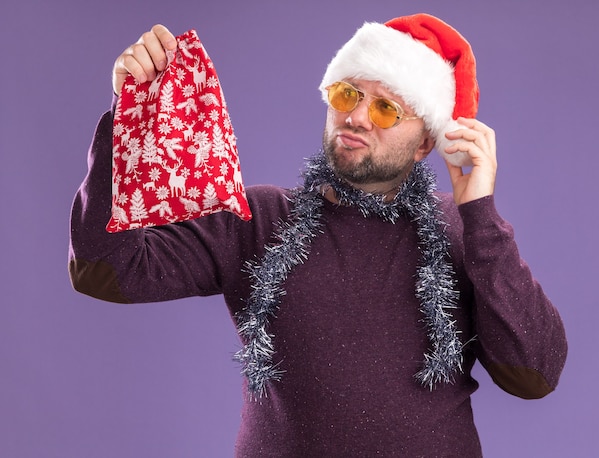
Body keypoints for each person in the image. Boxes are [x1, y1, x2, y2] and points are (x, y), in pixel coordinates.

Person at [69, 13, 567, 457]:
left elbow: (534, 373)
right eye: (348, 95)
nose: (355, 117)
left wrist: (480, 213)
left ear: (426, 144)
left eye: (386, 108)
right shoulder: (257, 219)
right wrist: (130, 118)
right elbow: (104, 269)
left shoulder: (460, 233)